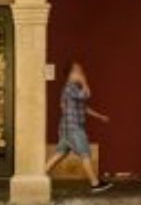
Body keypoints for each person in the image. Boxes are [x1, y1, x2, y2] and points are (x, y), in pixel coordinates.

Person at [44, 61, 112, 193]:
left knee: (60, 153)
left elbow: (84, 107)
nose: (81, 73)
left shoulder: (72, 88)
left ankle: (40, 176)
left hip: (66, 128)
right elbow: (86, 94)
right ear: (70, 74)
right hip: (73, 127)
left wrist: (100, 116)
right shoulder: (70, 87)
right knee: (85, 153)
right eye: (78, 71)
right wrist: (84, 82)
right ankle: (95, 183)